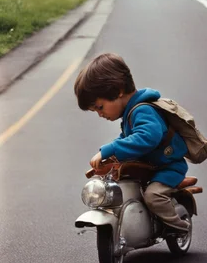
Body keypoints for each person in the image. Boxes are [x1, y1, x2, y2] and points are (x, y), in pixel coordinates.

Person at [74, 53, 190, 233]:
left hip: (167, 168)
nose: (100, 114)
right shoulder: (130, 114)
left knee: (153, 197)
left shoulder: (143, 110)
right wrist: (109, 155)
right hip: (148, 168)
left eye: (99, 107)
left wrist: (109, 149)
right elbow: (126, 139)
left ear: (118, 90)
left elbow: (146, 138)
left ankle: (179, 228)